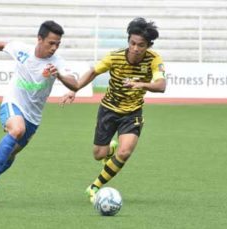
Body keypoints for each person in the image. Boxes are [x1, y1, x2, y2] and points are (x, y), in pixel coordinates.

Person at [59, 17, 166, 203]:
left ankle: (94, 187)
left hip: (133, 112)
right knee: (98, 155)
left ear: (148, 45)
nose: (135, 48)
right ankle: (110, 149)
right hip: (109, 109)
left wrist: (139, 84)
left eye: (141, 45)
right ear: (128, 41)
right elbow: (93, 72)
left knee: (124, 152)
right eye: (132, 43)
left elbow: (161, 85)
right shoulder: (114, 57)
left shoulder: (153, 59)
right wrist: (74, 89)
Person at [0, 20, 78, 201]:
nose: (54, 48)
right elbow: (3, 45)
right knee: (17, 130)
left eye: (57, 44)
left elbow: (74, 82)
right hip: (13, 102)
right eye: (51, 43)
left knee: (11, 153)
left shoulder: (58, 63)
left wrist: (58, 75)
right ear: (39, 39)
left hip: (33, 117)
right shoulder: (22, 50)